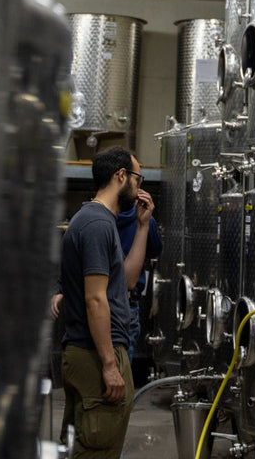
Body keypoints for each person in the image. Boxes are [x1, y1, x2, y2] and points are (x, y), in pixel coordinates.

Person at [59, 146, 154, 459]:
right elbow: (96, 299)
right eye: (137, 177)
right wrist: (110, 365)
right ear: (121, 176)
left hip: (90, 351)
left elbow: (125, 281)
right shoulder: (97, 225)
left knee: (86, 445)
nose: (140, 186)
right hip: (95, 353)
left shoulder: (99, 221)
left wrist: (142, 227)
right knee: (97, 450)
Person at [52, 207, 162, 362]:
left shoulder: (94, 218)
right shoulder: (104, 220)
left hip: (104, 301)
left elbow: (78, 257)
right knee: (116, 368)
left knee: (99, 365)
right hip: (119, 302)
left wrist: (61, 287)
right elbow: (155, 250)